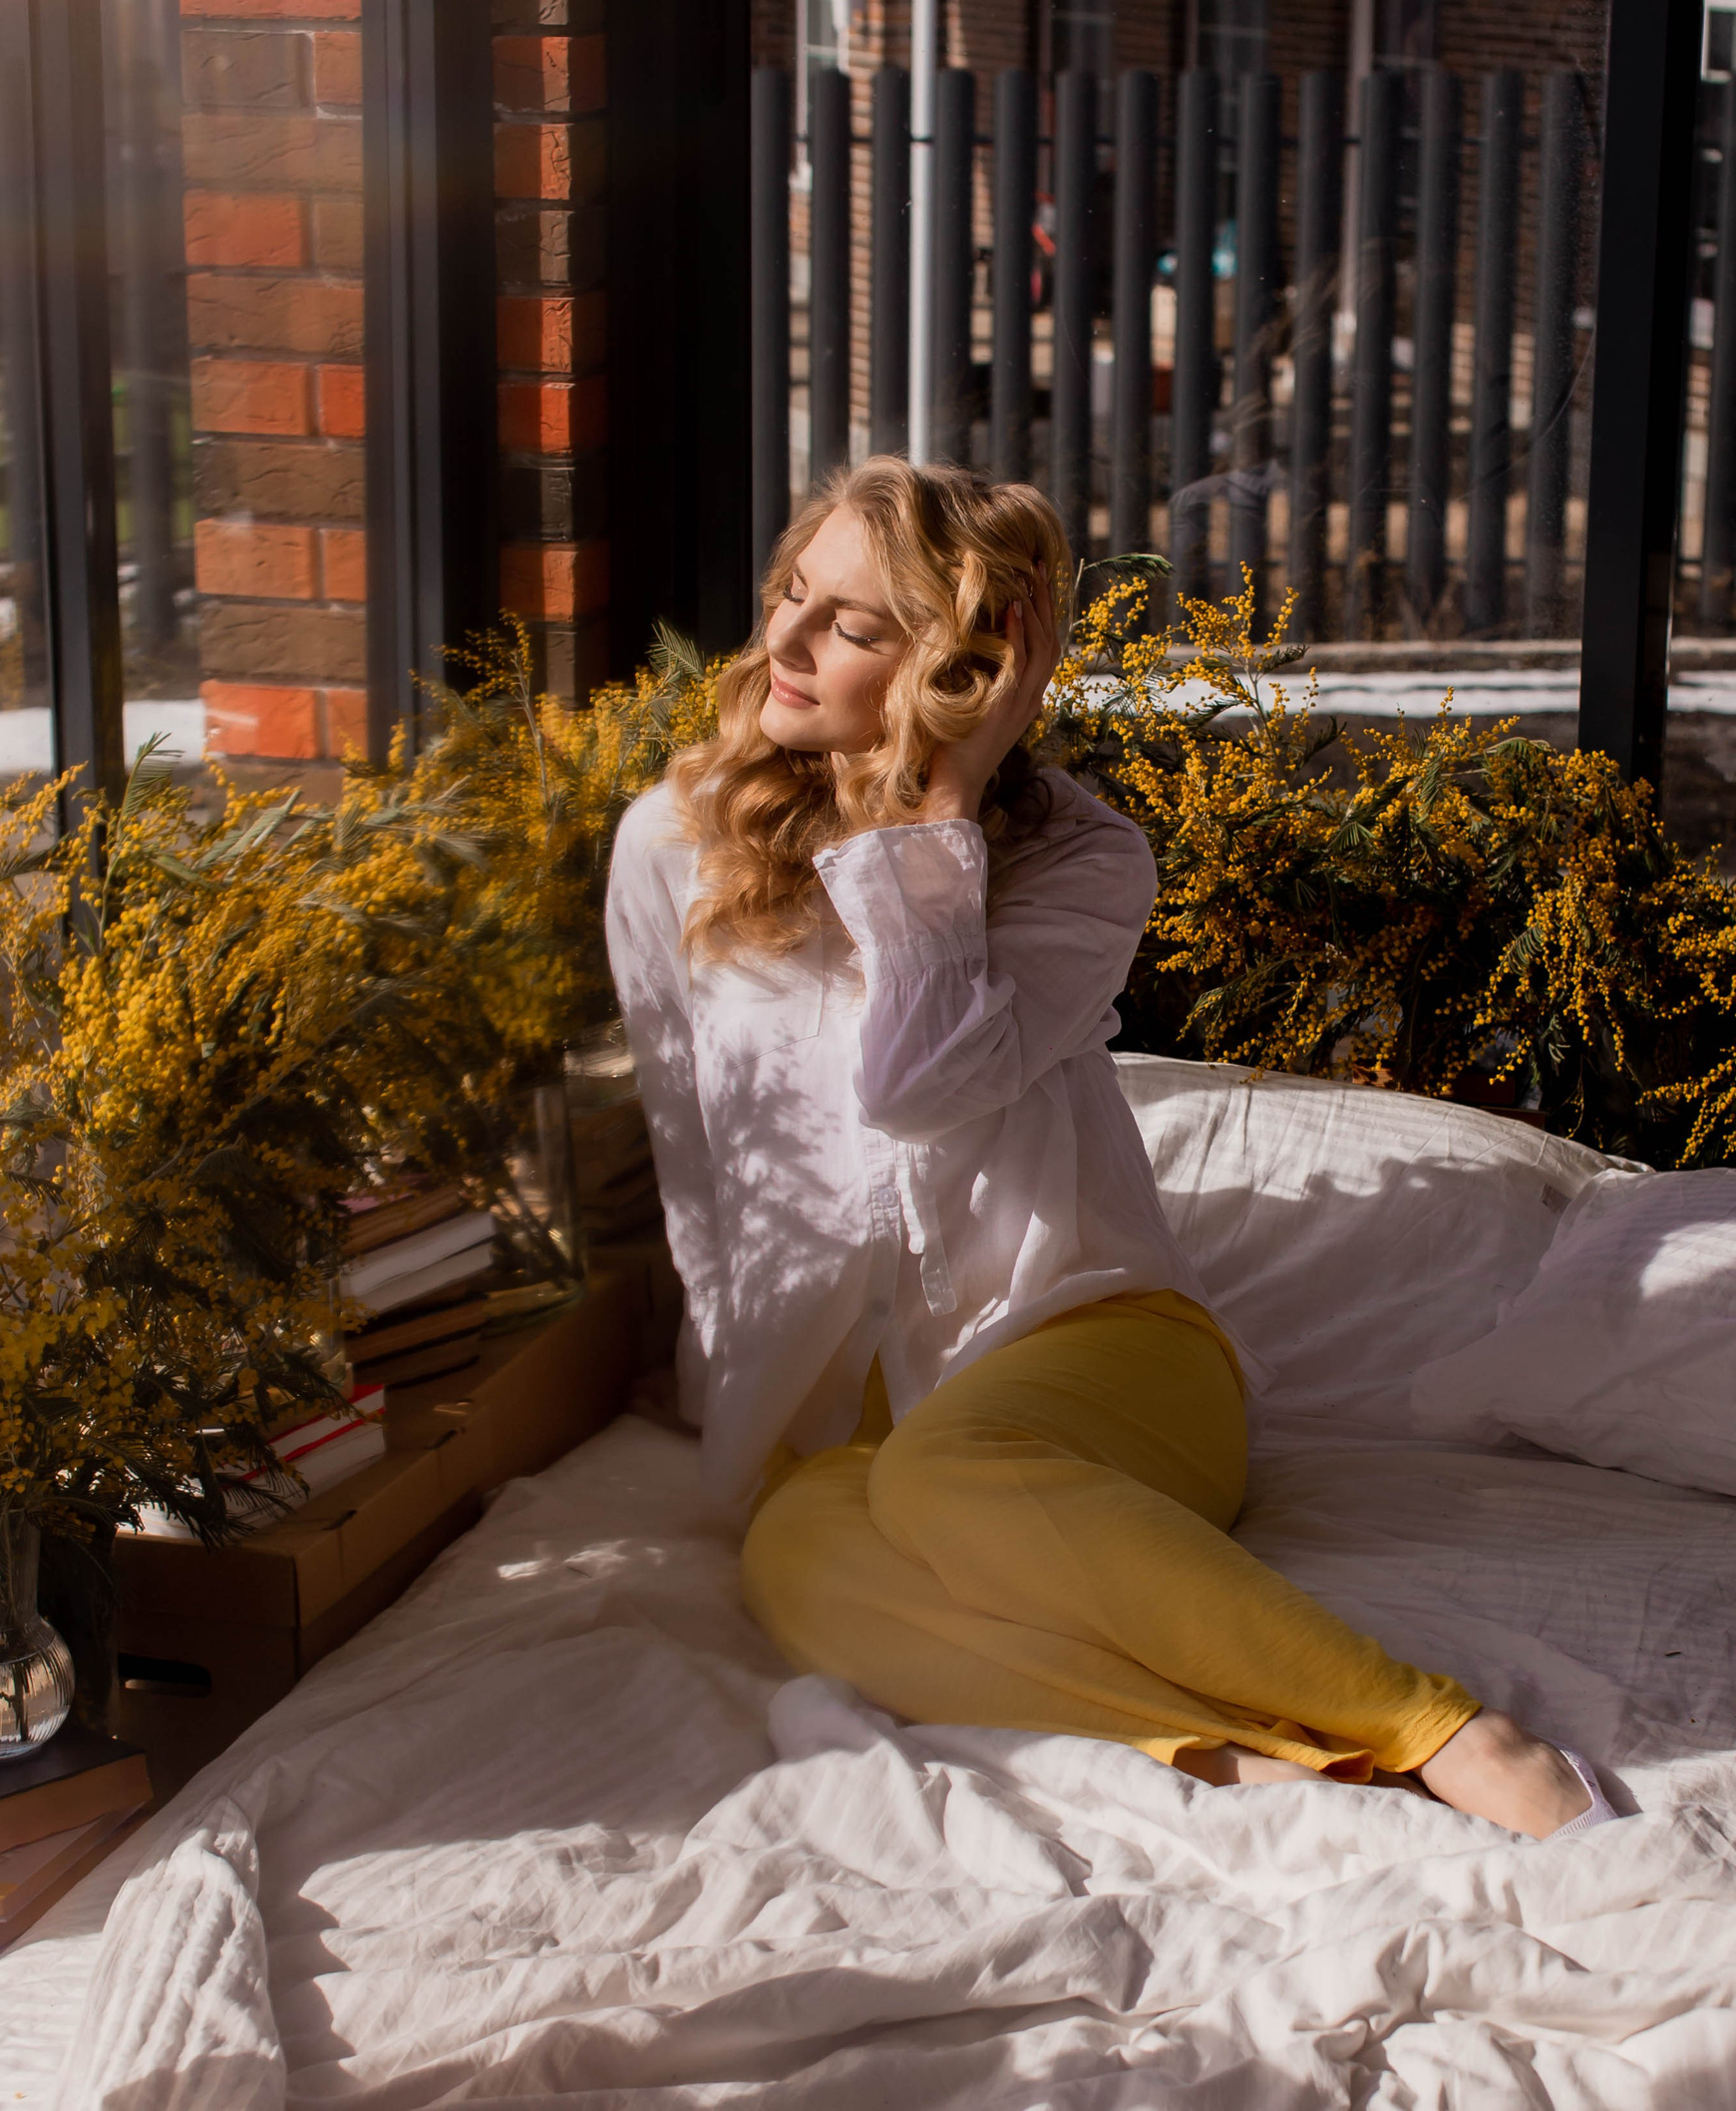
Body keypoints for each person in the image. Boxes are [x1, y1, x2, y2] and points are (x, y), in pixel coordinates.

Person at [605, 457, 1608, 1839]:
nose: (784, 639)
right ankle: (1228, 1754)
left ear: (967, 669)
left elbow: (917, 1086)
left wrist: (941, 812)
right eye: (791, 591)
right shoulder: (669, 844)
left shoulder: (1081, 858)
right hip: (841, 1405)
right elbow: (699, 1154)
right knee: (794, 1563)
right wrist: (724, 1385)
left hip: (1099, 1348)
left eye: (852, 624)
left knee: (947, 1475)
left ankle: (1435, 1725)